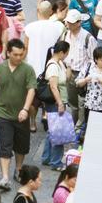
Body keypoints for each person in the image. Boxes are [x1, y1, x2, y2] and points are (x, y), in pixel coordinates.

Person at [0, 39, 36, 188]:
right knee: (5, 145)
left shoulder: (28, 70)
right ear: (8, 53)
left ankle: (18, 168)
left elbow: (31, 90)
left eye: (21, 54)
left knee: (21, 147)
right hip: (3, 114)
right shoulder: (0, 68)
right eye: (15, 54)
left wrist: (25, 109)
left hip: (21, 115)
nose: (18, 57)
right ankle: (5, 177)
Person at [39, 42, 70, 173]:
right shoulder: (53, 66)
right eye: (67, 52)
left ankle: (46, 157)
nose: (67, 55)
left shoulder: (60, 63)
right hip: (56, 103)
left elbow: (65, 80)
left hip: (58, 102)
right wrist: (60, 103)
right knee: (59, 133)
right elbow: (53, 86)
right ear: (62, 52)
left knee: (52, 131)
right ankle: (56, 162)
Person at [22, 0, 64, 91]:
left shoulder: (29, 27)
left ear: (38, 11)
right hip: (50, 67)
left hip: (32, 67)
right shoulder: (58, 27)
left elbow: (25, 48)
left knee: (32, 94)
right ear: (51, 12)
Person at [77, 44, 102, 135]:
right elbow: (78, 83)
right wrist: (87, 79)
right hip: (90, 105)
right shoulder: (89, 67)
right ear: (96, 60)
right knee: (90, 131)